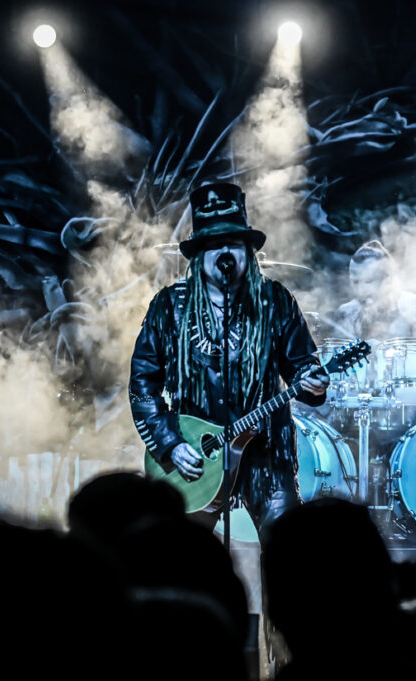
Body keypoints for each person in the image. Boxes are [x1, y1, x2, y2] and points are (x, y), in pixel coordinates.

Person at [129, 182, 329, 534]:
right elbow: (142, 386)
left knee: (287, 546)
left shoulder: (274, 300)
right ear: (199, 255)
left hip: (266, 455)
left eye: (234, 243)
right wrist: (170, 444)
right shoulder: (169, 307)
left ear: (247, 252)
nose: (225, 251)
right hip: (197, 452)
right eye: (214, 244)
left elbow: (302, 364)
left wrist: (311, 379)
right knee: (179, 552)